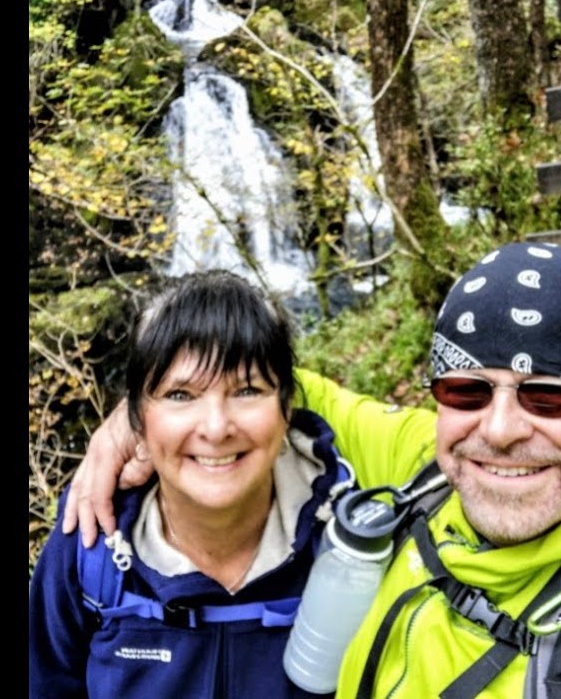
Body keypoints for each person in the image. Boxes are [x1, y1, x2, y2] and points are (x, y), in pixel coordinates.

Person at [65, 243, 561, 698]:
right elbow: (270, 387)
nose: (500, 430)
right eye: (466, 389)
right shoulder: (436, 463)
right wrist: (136, 418)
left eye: (550, 397)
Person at [30, 270, 364, 698]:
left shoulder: (349, 550)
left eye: (246, 390)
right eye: (180, 395)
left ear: (286, 409)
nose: (216, 427)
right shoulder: (90, 548)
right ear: (134, 422)